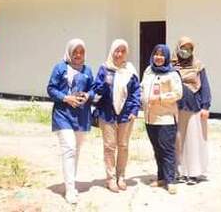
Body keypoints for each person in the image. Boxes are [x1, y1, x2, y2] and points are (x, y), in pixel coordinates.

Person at [47, 38, 95, 204]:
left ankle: (71, 182)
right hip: (63, 114)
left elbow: (93, 89)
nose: (78, 55)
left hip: (82, 116)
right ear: (69, 52)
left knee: (77, 150)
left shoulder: (87, 70)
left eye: (81, 52)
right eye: (75, 51)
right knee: (69, 148)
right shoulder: (60, 68)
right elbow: (51, 89)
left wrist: (88, 95)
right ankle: (69, 189)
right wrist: (66, 98)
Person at [92, 39, 141, 192]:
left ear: (126, 53)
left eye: (122, 51)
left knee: (124, 146)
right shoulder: (104, 68)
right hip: (107, 113)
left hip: (126, 114)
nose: (119, 54)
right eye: (116, 51)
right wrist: (104, 84)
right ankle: (110, 178)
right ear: (112, 51)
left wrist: (134, 110)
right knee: (109, 147)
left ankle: (121, 176)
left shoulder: (130, 69)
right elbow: (96, 90)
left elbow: (136, 92)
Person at [140, 44, 183, 194]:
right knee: (157, 150)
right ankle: (161, 178)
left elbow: (178, 93)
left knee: (167, 150)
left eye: (162, 55)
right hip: (150, 118)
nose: (158, 57)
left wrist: (159, 98)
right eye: (156, 54)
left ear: (166, 57)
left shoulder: (172, 74)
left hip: (166, 118)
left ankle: (171, 180)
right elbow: (142, 88)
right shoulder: (148, 71)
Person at [173, 36, 211, 185]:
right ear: (178, 48)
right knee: (178, 140)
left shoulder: (198, 65)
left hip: (194, 107)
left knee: (194, 140)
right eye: (183, 47)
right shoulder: (172, 65)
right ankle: (180, 172)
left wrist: (205, 107)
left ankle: (194, 173)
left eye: (189, 48)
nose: (185, 51)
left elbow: (205, 87)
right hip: (176, 108)